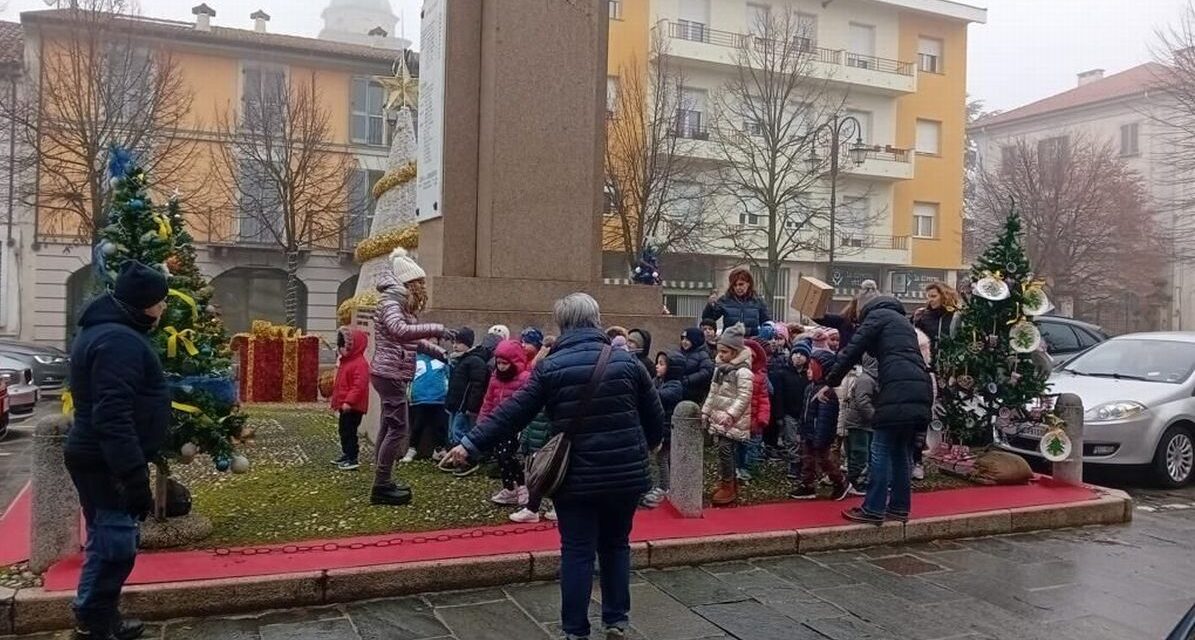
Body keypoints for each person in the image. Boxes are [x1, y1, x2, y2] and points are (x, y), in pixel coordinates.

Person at [443, 293, 664, 640]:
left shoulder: (550, 367)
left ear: (562, 325)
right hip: (625, 473)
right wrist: (647, 447)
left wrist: (470, 444)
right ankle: (616, 619)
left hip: (574, 474)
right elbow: (654, 416)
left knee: (576, 551)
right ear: (596, 319)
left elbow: (513, 412)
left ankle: (576, 630)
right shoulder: (627, 363)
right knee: (616, 544)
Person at [65, 261, 171, 640]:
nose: (163, 309)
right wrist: (132, 474)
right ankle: (95, 620)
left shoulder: (111, 331)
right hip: (105, 460)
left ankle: (94, 614)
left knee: (106, 537)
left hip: (99, 456)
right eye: (161, 301)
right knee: (116, 545)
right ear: (145, 303)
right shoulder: (118, 340)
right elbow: (113, 413)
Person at [823, 289, 933, 525]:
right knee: (902, 452)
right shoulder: (902, 321)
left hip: (896, 390)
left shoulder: (877, 316)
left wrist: (830, 381)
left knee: (880, 449)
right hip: (920, 389)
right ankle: (899, 507)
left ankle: (873, 508)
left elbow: (852, 350)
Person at [370, 249, 449, 506]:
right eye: (419, 283)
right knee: (398, 428)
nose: (422, 288)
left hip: (390, 371)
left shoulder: (397, 301)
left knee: (388, 425)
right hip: (390, 372)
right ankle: (381, 485)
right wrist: (437, 328)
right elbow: (401, 331)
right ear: (408, 283)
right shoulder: (393, 303)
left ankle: (383, 478)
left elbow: (411, 340)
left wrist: (439, 351)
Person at [702, 323, 755, 506]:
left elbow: (744, 396)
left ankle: (729, 485)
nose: (720, 355)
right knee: (723, 451)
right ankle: (728, 481)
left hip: (733, 420)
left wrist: (731, 415)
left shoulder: (743, 372)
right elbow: (713, 392)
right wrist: (706, 412)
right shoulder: (720, 369)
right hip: (720, 417)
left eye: (724, 352)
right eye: (719, 351)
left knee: (726, 450)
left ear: (734, 351)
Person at [478, 339, 532, 506]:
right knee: (501, 456)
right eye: (499, 363)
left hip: (516, 424)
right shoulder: (495, 378)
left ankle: (522, 485)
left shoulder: (524, 378)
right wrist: (483, 421)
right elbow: (488, 400)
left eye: (505, 363)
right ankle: (509, 487)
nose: (501, 367)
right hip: (497, 422)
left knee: (509, 455)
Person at [792, 351, 849, 500]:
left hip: (820, 435)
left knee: (825, 460)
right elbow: (804, 412)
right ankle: (807, 485)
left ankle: (840, 481)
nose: (808, 371)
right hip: (809, 431)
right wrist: (801, 429)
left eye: (811, 368)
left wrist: (821, 437)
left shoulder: (826, 393)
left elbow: (826, 418)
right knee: (807, 459)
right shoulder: (809, 388)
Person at [643, 351, 685, 508]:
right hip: (660, 427)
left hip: (667, 430)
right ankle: (662, 485)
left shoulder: (675, 385)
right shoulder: (657, 381)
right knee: (660, 459)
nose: (657, 366)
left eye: (661, 364)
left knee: (662, 458)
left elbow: (660, 396)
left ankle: (665, 487)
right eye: (657, 363)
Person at [330, 326, 370, 471]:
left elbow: (359, 386)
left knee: (349, 431)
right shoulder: (346, 361)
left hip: (353, 407)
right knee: (343, 430)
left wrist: (349, 401)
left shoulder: (359, 364)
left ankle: (352, 457)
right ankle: (347, 454)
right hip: (346, 405)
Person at [445, 327, 490, 451]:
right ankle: (453, 455)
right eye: (453, 342)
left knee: (460, 431)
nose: (455, 346)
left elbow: (477, 385)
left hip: (464, 406)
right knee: (453, 431)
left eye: (458, 343)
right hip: (455, 403)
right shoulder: (458, 360)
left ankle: (463, 458)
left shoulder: (474, 361)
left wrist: (471, 406)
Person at [841, 355, 878, 495]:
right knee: (859, 452)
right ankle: (856, 482)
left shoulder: (871, 378)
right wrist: (874, 417)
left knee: (863, 452)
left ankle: (860, 479)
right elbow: (863, 402)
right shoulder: (866, 380)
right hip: (859, 422)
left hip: (864, 422)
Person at [408, 340, 450, 462]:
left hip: (439, 398)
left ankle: (439, 449)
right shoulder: (415, 359)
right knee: (417, 425)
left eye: (434, 339)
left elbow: (448, 375)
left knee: (440, 426)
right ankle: (412, 449)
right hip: (420, 398)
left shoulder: (442, 359)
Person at [702, 268, 772, 337]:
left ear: (748, 284)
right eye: (734, 285)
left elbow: (766, 323)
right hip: (729, 341)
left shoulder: (758, 301)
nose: (738, 288)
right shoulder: (725, 300)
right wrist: (710, 306)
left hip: (752, 340)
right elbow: (708, 320)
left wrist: (754, 332)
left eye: (741, 284)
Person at [780, 340, 812, 483]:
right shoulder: (784, 373)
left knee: (804, 440)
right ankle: (794, 463)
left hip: (805, 413)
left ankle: (805, 464)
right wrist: (780, 414)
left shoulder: (809, 376)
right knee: (791, 440)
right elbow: (779, 396)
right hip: (789, 412)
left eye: (802, 354)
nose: (798, 356)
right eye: (795, 353)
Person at [913, 281, 959, 359]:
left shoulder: (956, 316)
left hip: (950, 362)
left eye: (933, 296)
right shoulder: (922, 316)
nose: (930, 300)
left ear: (945, 296)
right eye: (928, 296)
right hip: (926, 361)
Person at [679, 327, 715, 404]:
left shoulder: (702, 354)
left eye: (687, 340)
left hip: (694, 392)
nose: (684, 342)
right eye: (683, 339)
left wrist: (689, 379)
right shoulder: (680, 353)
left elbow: (707, 371)